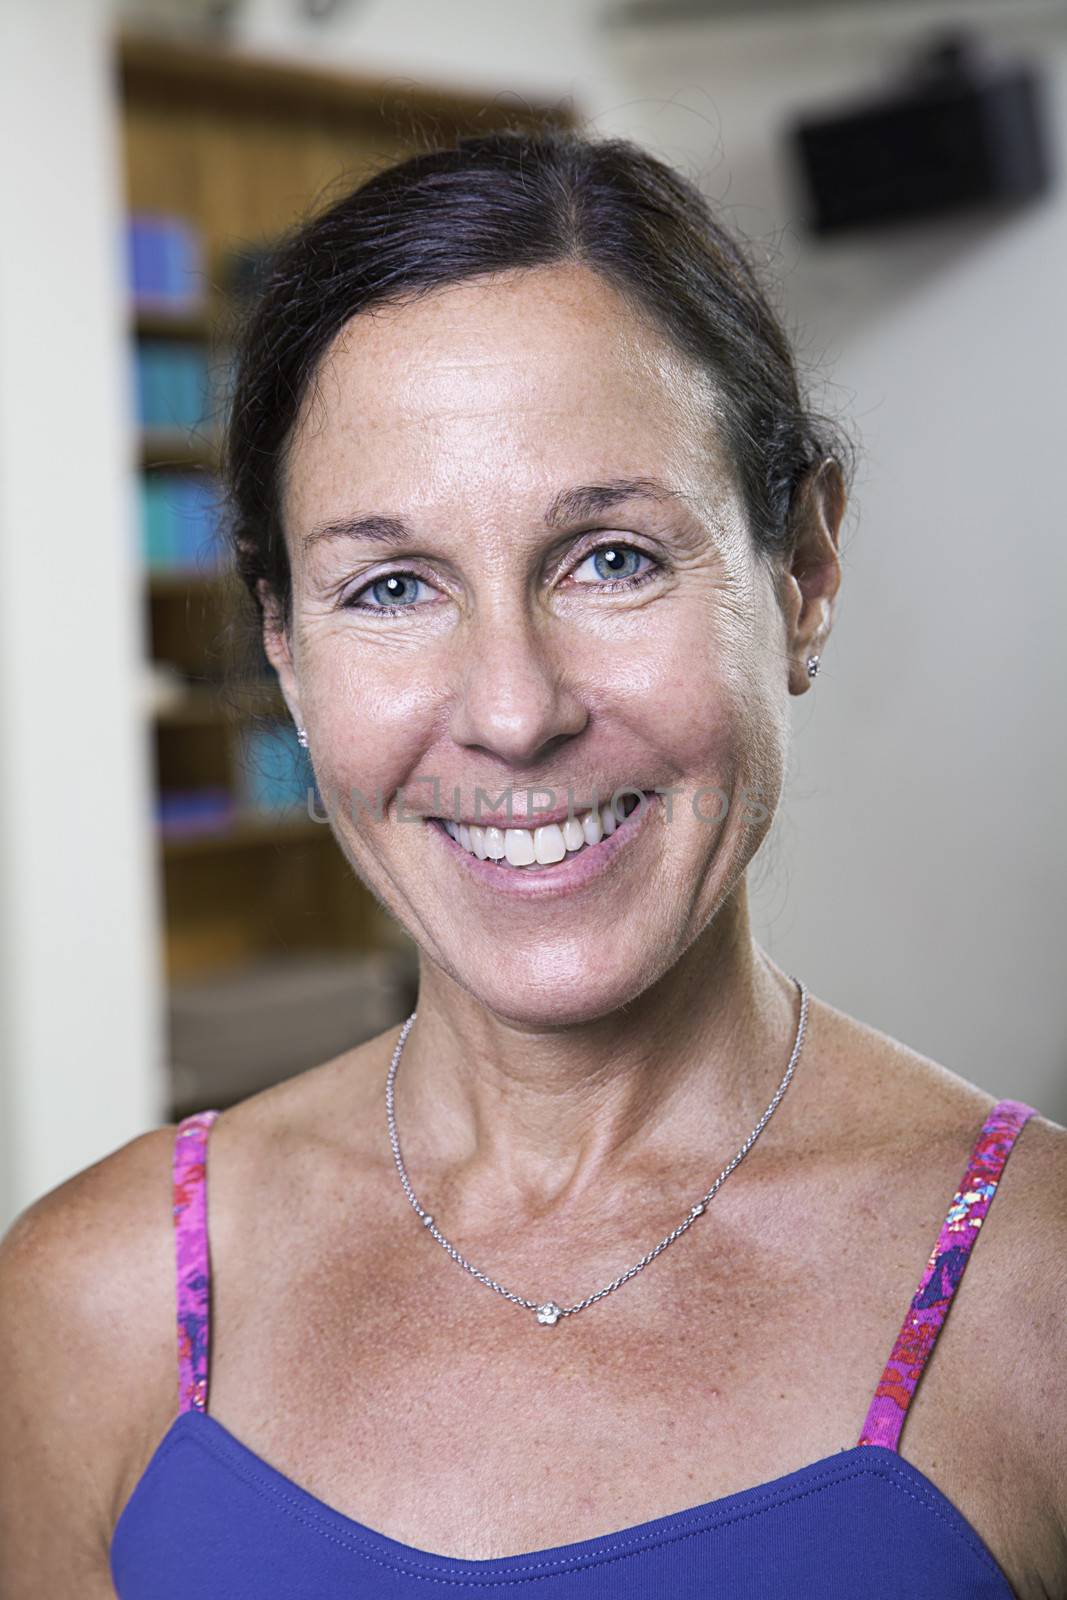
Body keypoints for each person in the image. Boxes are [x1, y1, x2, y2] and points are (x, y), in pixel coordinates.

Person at [1, 125, 1064, 1600]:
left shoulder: (1041, 1307)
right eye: (390, 587)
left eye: (611, 558)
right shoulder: (94, 1300)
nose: (513, 712)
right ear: (287, 658)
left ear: (805, 572)